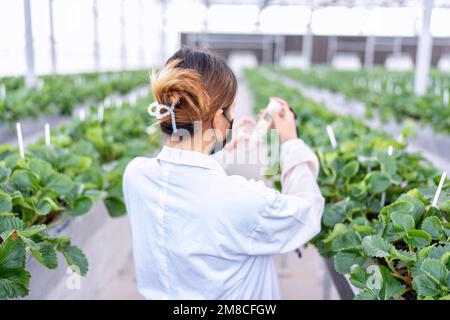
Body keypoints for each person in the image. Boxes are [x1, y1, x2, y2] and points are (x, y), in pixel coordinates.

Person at [122, 46, 325, 299]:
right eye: (230, 111)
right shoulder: (245, 200)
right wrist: (291, 142)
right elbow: (307, 214)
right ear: (219, 118)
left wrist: (226, 145)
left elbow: (188, 175)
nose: (232, 118)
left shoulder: (135, 175)